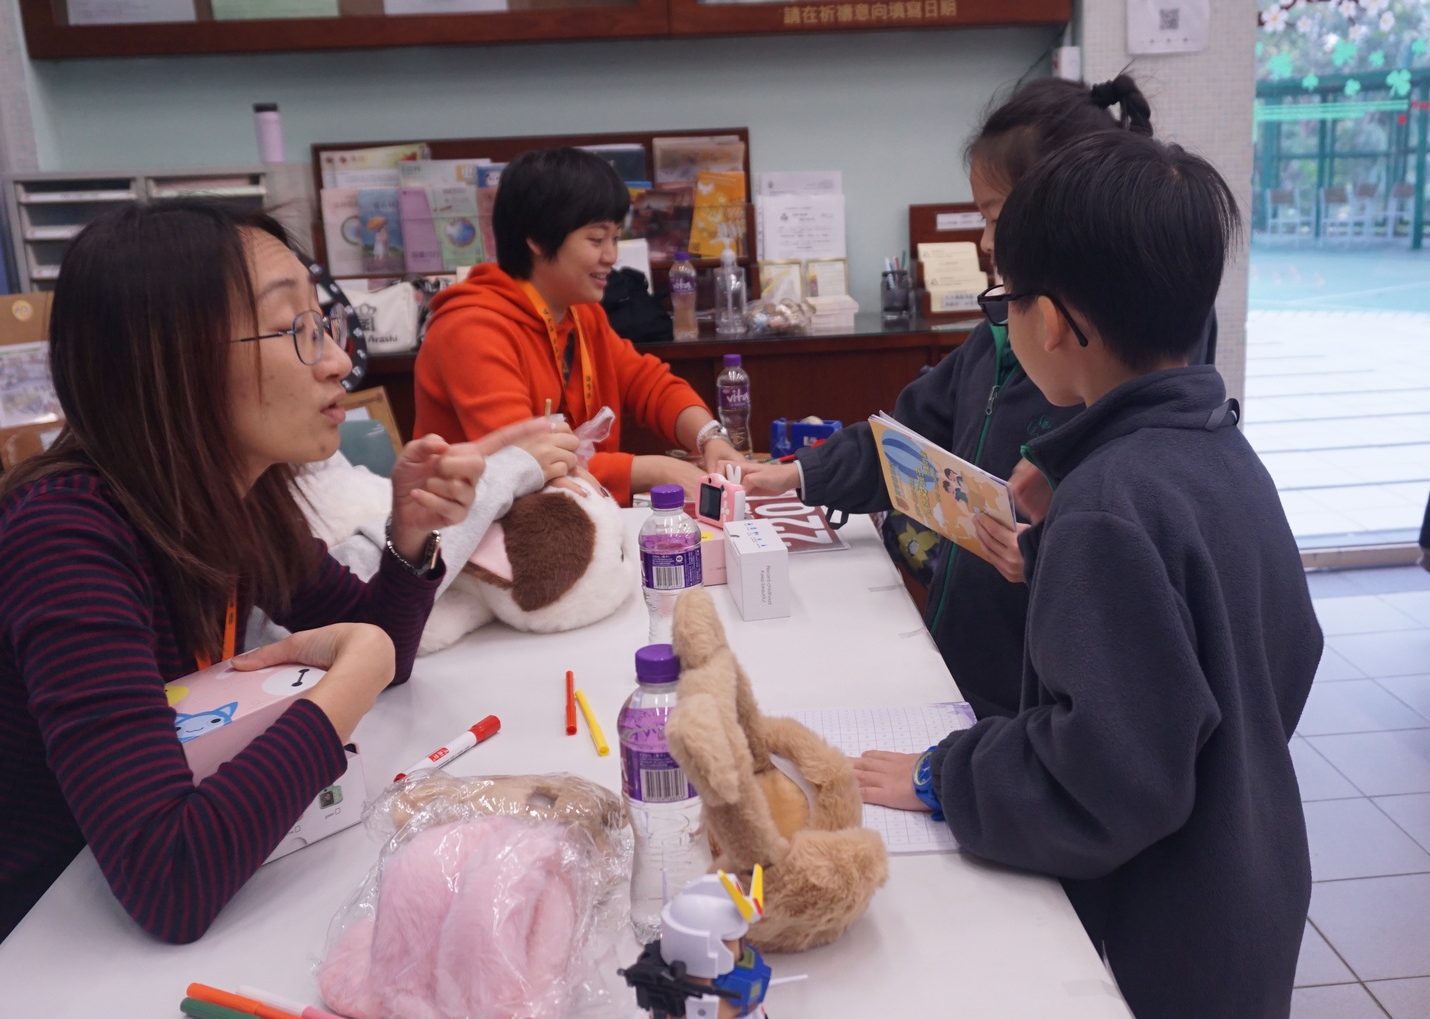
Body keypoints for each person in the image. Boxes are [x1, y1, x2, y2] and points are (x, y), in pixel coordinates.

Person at [0, 200, 579, 962]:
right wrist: (344, 684)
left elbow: (380, 649)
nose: (337, 360)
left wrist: (410, 536)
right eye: (296, 329)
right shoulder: (64, 537)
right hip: (3, 953)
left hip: (99, 904)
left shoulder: (233, 495)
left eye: (323, 323)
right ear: (172, 360)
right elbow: (171, 874)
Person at [853, 132, 1321, 1019]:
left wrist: (945, 775)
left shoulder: (1107, 503)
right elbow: (1283, 645)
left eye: (1006, 300)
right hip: (1249, 877)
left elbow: (1104, 778)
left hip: (1159, 931)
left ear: (1057, 324)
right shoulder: (1221, 449)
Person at [740, 75, 1156, 718]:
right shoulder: (994, 339)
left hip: (1038, 693)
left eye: (995, 218)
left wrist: (1044, 540)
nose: (986, 243)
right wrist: (796, 473)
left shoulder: (1123, 385)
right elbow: (901, 443)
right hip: (963, 660)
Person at [413, 147, 748, 507]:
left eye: (615, 238)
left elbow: (648, 383)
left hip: (562, 517)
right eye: (596, 239)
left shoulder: (580, 313)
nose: (611, 256)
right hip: (471, 527)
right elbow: (526, 463)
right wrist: (655, 470)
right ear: (538, 239)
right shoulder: (471, 329)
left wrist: (710, 437)